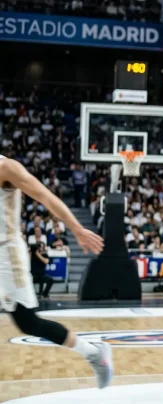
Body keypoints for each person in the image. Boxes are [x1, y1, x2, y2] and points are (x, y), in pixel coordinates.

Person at [0, 155, 113, 387]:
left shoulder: (6, 167)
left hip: (7, 252)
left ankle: (93, 353)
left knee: (28, 322)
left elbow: (46, 196)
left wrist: (77, 229)